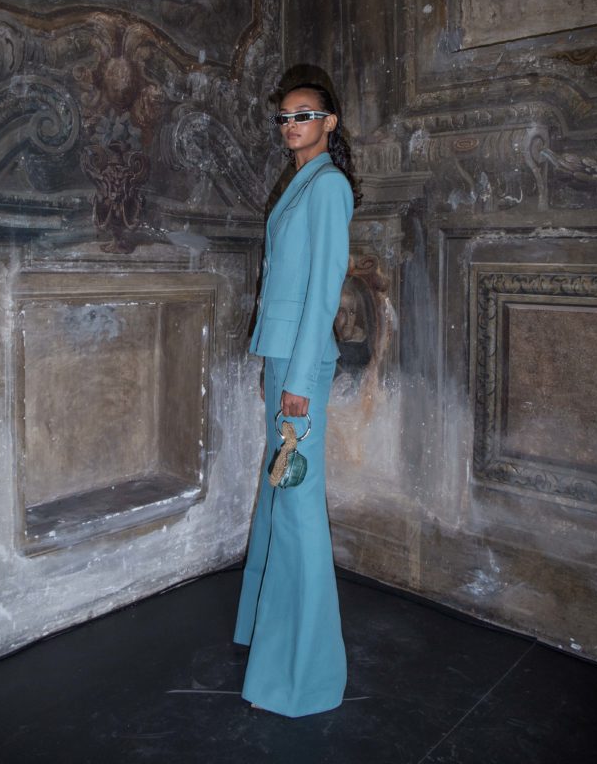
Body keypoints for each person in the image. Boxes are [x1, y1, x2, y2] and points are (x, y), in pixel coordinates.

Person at [233, 66, 361, 717]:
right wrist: (277, 366)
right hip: (283, 356)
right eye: (284, 117)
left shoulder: (329, 186)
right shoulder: (300, 182)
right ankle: (263, 633)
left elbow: (323, 290)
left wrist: (299, 383)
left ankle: (305, 673)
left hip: (300, 364)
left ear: (329, 122)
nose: (291, 126)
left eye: (303, 115)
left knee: (297, 504)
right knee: (277, 490)